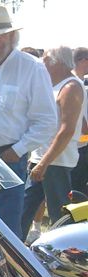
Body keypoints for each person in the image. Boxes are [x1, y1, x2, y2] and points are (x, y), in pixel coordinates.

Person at [0, 5, 57, 239]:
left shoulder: (32, 68)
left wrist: (17, 151)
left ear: (11, 36)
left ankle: (5, 264)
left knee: (6, 234)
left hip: (10, 160)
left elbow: (47, 121)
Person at [21, 46, 87, 239]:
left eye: (46, 59)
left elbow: (66, 131)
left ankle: (63, 253)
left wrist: (44, 162)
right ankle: (12, 249)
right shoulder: (58, 86)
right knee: (23, 209)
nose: (42, 63)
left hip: (56, 162)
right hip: (43, 160)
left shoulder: (71, 87)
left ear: (57, 62)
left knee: (59, 218)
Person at [71, 47, 88, 193]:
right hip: (76, 146)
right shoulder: (74, 83)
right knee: (76, 188)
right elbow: (80, 116)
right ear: (83, 61)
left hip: (81, 144)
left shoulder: (79, 82)